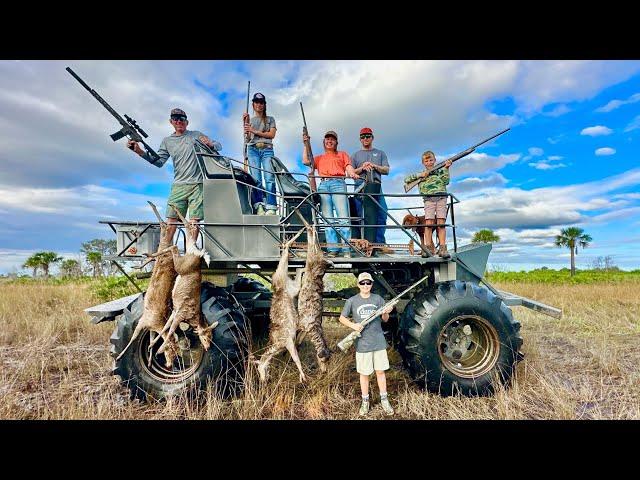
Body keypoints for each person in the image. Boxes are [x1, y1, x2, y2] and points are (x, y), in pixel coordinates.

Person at [127, 108, 221, 239]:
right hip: (178, 186)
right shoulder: (167, 141)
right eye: (175, 119)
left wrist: (211, 144)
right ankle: (166, 250)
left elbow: (218, 145)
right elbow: (159, 162)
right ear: (171, 122)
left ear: (187, 122)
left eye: (181, 119)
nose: (179, 121)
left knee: (194, 221)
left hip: (198, 185)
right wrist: (140, 152)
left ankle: (191, 252)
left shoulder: (196, 135)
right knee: (171, 220)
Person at [338, 272, 394, 416]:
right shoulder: (352, 301)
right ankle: (365, 401)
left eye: (368, 283)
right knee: (364, 374)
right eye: (362, 283)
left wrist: (386, 311)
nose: (365, 285)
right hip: (363, 344)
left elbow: (385, 320)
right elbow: (342, 318)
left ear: (371, 284)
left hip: (378, 342)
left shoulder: (378, 299)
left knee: (380, 372)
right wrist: (354, 326)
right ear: (358, 285)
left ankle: (384, 400)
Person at [302, 130, 359, 257]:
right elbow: (306, 161)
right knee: (327, 219)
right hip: (323, 185)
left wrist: (353, 173)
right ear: (324, 142)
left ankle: (346, 249)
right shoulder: (319, 158)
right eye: (327, 139)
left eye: (332, 139)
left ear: (336, 142)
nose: (330, 141)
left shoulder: (342, 154)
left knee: (343, 217)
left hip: (338, 183)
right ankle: (333, 249)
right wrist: (305, 144)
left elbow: (349, 167)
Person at [404, 150, 452, 258]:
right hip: (428, 199)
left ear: (435, 160)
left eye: (431, 160)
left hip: (441, 198)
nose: (429, 162)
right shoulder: (421, 174)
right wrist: (421, 175)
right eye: (427, 161)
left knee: (441, 223)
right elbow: (406, 179)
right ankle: (428, 248)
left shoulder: (440, 171)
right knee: (428, 223)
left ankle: (443, 248)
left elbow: (446, 181)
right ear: (423, 163)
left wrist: (447, 168)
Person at [350, 127, 391, 247]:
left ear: (372, 138)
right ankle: (361, 244)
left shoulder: (380, 153)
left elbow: (387, 169)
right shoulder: (355, 155)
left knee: (382, 213)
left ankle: (379, 244)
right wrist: (362, 168)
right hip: (359, 188)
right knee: (360, 216)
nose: (365, 138)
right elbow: (350, 173)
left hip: (376, 187)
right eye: (363, 137)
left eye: (368, 136)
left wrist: (374, 166)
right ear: (360, 139)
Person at [242, 92, 278, 215]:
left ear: (264, 105)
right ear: (253, 104)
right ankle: (259, 206)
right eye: (257, 102)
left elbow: (271, 135)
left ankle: (271, 207)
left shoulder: (270, 119)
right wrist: (245, 125)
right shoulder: (249, 120)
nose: (259, 104)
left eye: (261, 102)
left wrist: (254, 130)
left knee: (269, 177)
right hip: (252, 149)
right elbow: (247, 139)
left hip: (267, 149)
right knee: (256, 178)